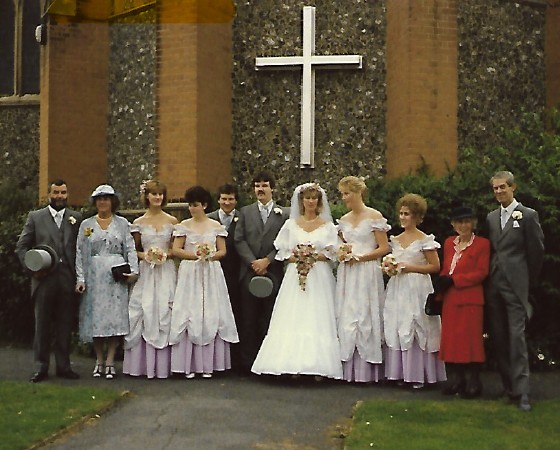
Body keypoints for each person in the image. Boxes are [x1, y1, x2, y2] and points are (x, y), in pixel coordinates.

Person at [251, 183, 342, 380]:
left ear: (319, 202)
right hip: (295, 275)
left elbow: (332, 254)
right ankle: (291, 364)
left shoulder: (327, 226)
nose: (310, 201)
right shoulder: (291, 225)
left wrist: (311, 257)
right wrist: (299, 257)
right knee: (293, 314)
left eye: (314, 198)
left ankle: (319, 366)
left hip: (319, 275)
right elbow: (283, 253)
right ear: (301, 201)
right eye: (307, 198)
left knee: (317, 315)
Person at [485, 171, 544, 411]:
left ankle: (522, 392)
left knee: (516, 338)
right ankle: (508, 386)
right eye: (495, 188)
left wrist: (526, 280)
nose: (499, 192)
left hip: (516, 285)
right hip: (494, 284)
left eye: (503, 187)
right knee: (498, 337)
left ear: (513, 187)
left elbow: (536, 252)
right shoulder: (491, 217)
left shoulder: (528, 215)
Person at [16, 179, 82, 382]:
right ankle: (41, 367)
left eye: (63, 192)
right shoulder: (36, 217)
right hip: (44, 280)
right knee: (42, 326)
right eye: (56, 193)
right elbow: (22, 246)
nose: (60, 196)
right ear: (49, 194)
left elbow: (81, 249)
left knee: (64, 325)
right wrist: (32, 269)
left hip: (67, 279)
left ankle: (64, 366)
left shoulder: (76, 218)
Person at [169, 185, 238, 378]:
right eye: (190, 205)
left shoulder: (216, 226)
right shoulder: (183, 226)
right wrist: (195, 255)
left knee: (210, 311)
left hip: (210, 272)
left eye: (196, 205)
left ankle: (209, 365)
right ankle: (188, 364)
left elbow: (223, 250)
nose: (192, 208)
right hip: (190, 272)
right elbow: (176, 249)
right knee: (189, 311)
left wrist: (210, 256)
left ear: (205, 205)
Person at [75, 184, 139, 380]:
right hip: (94, 275)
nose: (103, 202)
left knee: (114, 318)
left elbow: (130, 248)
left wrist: (134, 271)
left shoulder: (122, 224)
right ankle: (99, 360)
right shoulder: (86, 225)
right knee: (96, 318)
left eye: (106, 198)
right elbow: (80, 252)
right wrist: (81, 278)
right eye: (99, 198)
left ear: (113, 201)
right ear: (95, 202)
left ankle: (111, 360)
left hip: (115, 276)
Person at [383, 193, 446, 389]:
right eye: (401, 213)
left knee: (416, 324)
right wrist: (389, 268)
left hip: (417, 287)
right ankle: (400, 372)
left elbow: (435, 266)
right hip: (398, 287)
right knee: (398, 323)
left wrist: (411, 268)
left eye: (407, 214)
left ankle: (418, 374)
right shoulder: (395, 239)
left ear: (417, 216)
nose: (402, 217)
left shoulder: (425, 240)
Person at [335, 176, 391, 383]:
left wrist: (360, 257)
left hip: (367, 270)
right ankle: (347, 366)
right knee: (348, 311)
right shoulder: (344, 219)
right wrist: (343, 254)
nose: (344, 198)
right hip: (348, 272)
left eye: (347, 193)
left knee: (366, 312)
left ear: (358, 193)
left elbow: (384, 248)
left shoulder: (374, 216)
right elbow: (342, 244)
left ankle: (368, 369)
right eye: (343, 194)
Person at [234, 171, 289, 372]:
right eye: (257, 185)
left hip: (273, 271)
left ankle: (269, 362)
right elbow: (238, 239)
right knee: (248, 318)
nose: (260, 189)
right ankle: (248, 362)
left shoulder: (285, 213)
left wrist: (267, 260)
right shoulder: (245, 212)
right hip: (249, 272)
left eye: (264, 185)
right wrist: (253, 262)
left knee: (269, 317)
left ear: (272, 188)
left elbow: (286, 242)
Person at [123, 180, 178, 379]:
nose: (157, 198)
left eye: (160, 194)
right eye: (154, 194)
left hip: (166, 271)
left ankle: (167, 366)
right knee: (142, 309)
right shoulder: (138, 223)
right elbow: (133, 250)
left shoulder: (172, 221)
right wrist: (146, 256)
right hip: (146, 270)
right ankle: (140, 365)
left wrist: (164, 255)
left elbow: (176, 248)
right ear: (147, 196)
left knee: (165, 309)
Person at [437, 206, 490, 398]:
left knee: (471, 341)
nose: (463, 225)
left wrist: (455, 280)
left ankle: (475, 381)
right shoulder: (449, 242)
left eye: (467, 221)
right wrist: (442, 283)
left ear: (473, 223)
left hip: (470, 299)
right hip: (451, 298)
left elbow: (481, 273)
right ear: (453, 225)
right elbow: (446, 268)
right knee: (453, 341)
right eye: (459, 222)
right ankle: (459, 380)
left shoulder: (482, 244)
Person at [207, 184, 242, 371]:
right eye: (224, 199)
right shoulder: (209, 219)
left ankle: (236, 360)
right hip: (214, 271)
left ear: (236, 201)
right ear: (218, 200)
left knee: (237, 313)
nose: (227, 202)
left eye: (231, 199)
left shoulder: (242, 218)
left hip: (238, 272)